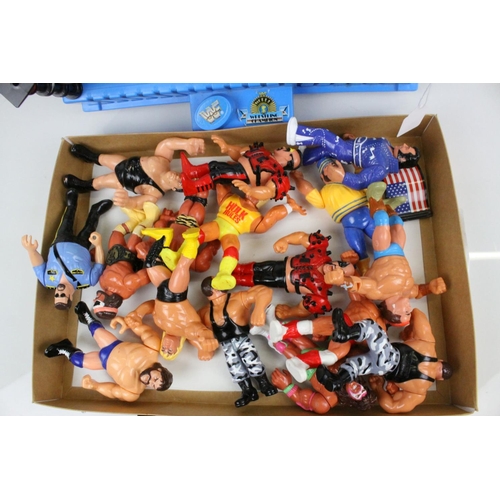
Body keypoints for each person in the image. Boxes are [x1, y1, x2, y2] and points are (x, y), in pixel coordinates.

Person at [144, 183, 306, 291]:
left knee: (232, 249)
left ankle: (224, 274)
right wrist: (226, 175)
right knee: (196, 234)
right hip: (218, 224)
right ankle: (178, 256)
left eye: (259, 193)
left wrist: (289, 207)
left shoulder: (255, 217)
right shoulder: (231, 198)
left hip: (231, 233)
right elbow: (221, 186)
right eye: (253, 190)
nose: (254, 195)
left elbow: (271, 217)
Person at [325, 189, 446, 326]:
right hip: (399, 251)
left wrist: (341, 280)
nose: (409, 308)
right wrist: (430, 288)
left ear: (392, 310)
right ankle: (388, 205)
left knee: (381, 218)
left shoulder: (378, 292)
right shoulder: (407, 292)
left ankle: (373, 195)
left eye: (405, 312)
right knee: (397, 222)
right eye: (409, 312)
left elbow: (358, 285)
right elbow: (419, 291)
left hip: (382, 251)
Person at [315, 307, 453, 414]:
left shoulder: (428, 345)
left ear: (440, 360)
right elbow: (391, 407)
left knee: (372, 327)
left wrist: (409, 332)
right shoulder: (420, 392)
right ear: (439, 379)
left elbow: (417, 313)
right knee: (355, 365)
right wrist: (379, 389)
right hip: (381, 369)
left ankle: (346, 333)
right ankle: (337, 381)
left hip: (389, 357)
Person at [44, 301, 173, 402]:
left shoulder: (133, 391)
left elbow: (113, 391)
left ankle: (65, 348)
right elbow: (144, 331)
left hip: (103, 362)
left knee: (78, 361)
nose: (150, 381)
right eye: (155, 378)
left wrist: (95, 386)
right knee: (96, 329)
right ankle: (86, 317)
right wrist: (131, 323)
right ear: (159, 369)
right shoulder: (152, 349)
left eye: (153, 385)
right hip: (112, 345)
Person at [125, 226, 219, 361]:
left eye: (164, 349)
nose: (167, 347)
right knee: (182, 265)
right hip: (176, 294)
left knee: (150, 262)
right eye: (170, 351)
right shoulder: (185, 330)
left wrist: (138, 313)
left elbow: (152, 305)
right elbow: (200, 332)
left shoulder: (160, 324)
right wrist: (205, 345)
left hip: (161, 291)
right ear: (178, 347)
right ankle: (193, 239)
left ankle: (165, 237)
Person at [232, 230, 356, 319]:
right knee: (256, 267)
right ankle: (232, 267)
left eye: (340, 273)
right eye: (341, 264)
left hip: (281, 280)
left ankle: (234, 280)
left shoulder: (320, 292)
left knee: (257, 279)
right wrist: (285, 240)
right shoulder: (319, 249)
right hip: (279, 264)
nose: (335, 268)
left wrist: (289, 312)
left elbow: (304, 309)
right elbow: (302, 237)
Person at [22, 189, 112, 310]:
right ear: (70, 297)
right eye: (63, 296)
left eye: (56, 296)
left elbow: (38, 266)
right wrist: (98, 245)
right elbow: (99, 264)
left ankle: (71, 203)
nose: (59, 292)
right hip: (82, 245)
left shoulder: (47, 280)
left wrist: (31, 251)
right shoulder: (88, 280)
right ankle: (96, 211)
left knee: (66, 221)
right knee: (90, 227)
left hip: (60, 242)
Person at [198, 277, 277, 407]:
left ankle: (264, 383)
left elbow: (264, 291)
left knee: (252, 360)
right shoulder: (205, 311)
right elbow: (192, 326)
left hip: (241, 339)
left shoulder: (238, 298)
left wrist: (259, 309)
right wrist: (202, 345)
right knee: (234, 367)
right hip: (226, 345)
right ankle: (247, 391)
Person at [63, 137, 206, 209]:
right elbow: (166, 144)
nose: (177, 176)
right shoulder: (164, 162)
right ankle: (88, 156)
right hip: (124, 163)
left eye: (179, 181)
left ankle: (81, 185)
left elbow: (137, 203)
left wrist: (127, 202)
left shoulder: (155, 194)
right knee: (103, 158)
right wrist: (185, 144)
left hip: (122, 179)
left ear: (175, 188)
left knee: (101, 181)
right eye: (181, 174)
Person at [287, 116, 420, 190]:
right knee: (324, 150)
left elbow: (361, 181)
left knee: (323, 135)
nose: (404, 145)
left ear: (403, 159)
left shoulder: (382, 168)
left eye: (407, 148)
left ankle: (295, 135)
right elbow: (368, 146)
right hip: (349, 146)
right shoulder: (388, 145)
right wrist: (353, 140)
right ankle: (304, 157)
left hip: (346, 152)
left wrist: (343, 177)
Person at [180, 134, 301, 202]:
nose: (284, 147)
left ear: (288, 159)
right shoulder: (265, 152)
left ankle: (193, 187)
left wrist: (250, 191)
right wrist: (227, 147)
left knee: (217, 175)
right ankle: (192, 171)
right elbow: (240, 153)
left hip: (243, 175)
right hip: (238, 166)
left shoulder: (277, 173)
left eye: (288, 150)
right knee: (214, 165)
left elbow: (269, 191)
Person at [92, 201, 161, 319]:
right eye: (97, 302)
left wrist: (96, 254)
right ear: (110, 303)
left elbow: (102, 266)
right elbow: (148, 275)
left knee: (117, 232)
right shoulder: (127, 286)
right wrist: (150, 259)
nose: (94, 299)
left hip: (114, 254)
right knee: (137, 232)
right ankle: (151, 218)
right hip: (130, 254)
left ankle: (135, 219)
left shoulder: (102, 284)